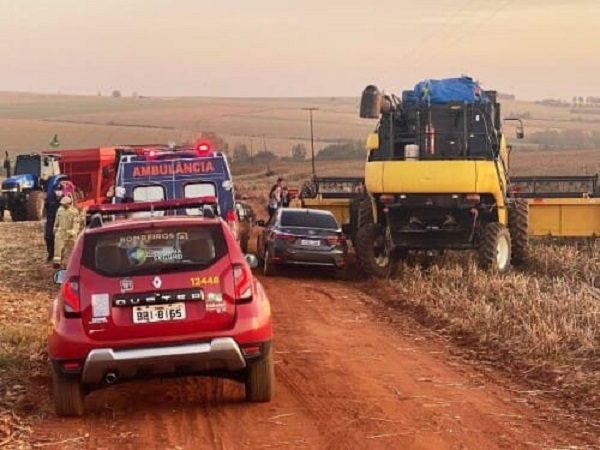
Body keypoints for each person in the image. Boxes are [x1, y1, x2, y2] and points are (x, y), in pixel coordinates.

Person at [52, 196, 80, 269]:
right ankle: (57, 263)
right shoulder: (59, 210)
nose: (63, 205)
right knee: (58, 249)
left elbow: (76, 223)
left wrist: (73, 232)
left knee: (70, 250)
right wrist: (55, 228)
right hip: (60, 234)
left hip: (70, 235)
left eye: (64, 204)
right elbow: (57, 220)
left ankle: (69, 265)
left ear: (69, 203)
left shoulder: (74, 211)